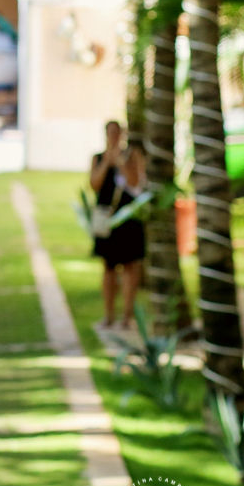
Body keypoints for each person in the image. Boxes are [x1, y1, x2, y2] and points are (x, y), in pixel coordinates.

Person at [89, 122, 146, 330]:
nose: (113, 136)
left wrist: (120, 162)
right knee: (108, 267)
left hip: (128, 217)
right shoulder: (98, 158)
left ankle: (127, 316)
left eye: (117, 132)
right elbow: (94, 184)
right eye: (110, 133)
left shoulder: (132, 156)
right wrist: (106, 163)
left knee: (130, 266)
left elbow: (135, 182)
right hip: (107, 218)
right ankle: (109, 314)